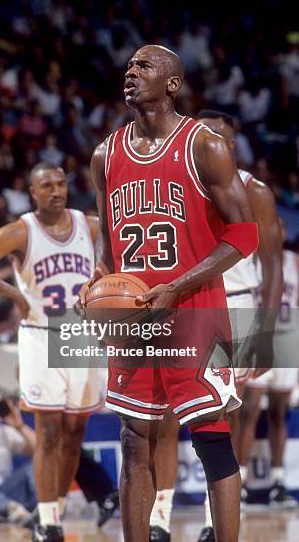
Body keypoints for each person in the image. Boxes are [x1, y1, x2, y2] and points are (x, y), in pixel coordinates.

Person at [80, 45, 259, 542]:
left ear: (173, 84)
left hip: (198, 310)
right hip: (135, 319)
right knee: (134, 439)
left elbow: (245, 235)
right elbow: (107, 242)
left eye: (144, 65)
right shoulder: (105, 154)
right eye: (129, 65)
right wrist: (97, 280)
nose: (130, 72)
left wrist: (178, 285)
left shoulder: (204, 145)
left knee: (211, 440)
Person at [149, 110, 283, 542]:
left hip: (238, 307)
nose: (212, 144)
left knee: (225, 415)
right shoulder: (176, 177)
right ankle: (160, 518)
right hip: (185, 302)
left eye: (220, 137)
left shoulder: (254, 191)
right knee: (166, 415)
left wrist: (264, 333)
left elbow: (274, 266)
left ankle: (214, 518)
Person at [0, 162, 102, 542]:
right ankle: (48, 521)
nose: (56, 190)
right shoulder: (20, 231)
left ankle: (56, 507)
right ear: (32, 192)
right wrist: (12, 293)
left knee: (75, 432)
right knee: (49, 429)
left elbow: (118, 258)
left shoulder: (90, 225)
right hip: (40, 334)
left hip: (80, 334)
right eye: (46, 185)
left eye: (60, 183)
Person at [238, 217, 298, 509]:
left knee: (278, 413)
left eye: (281, 225)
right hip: (260, 340)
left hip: (288, 343)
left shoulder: (294, 261)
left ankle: (277, 481)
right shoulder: (251, 259)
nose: (279, 229)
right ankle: (241, 482)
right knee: (248, 411)